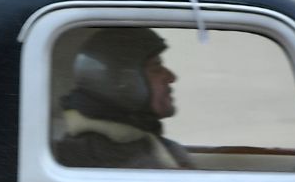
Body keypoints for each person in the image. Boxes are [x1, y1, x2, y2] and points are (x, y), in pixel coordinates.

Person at [53, 27, 193, 170]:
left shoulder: (140, 142)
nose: (171, 77)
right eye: (156, 69)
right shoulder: (96, 157)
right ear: (123, 82)